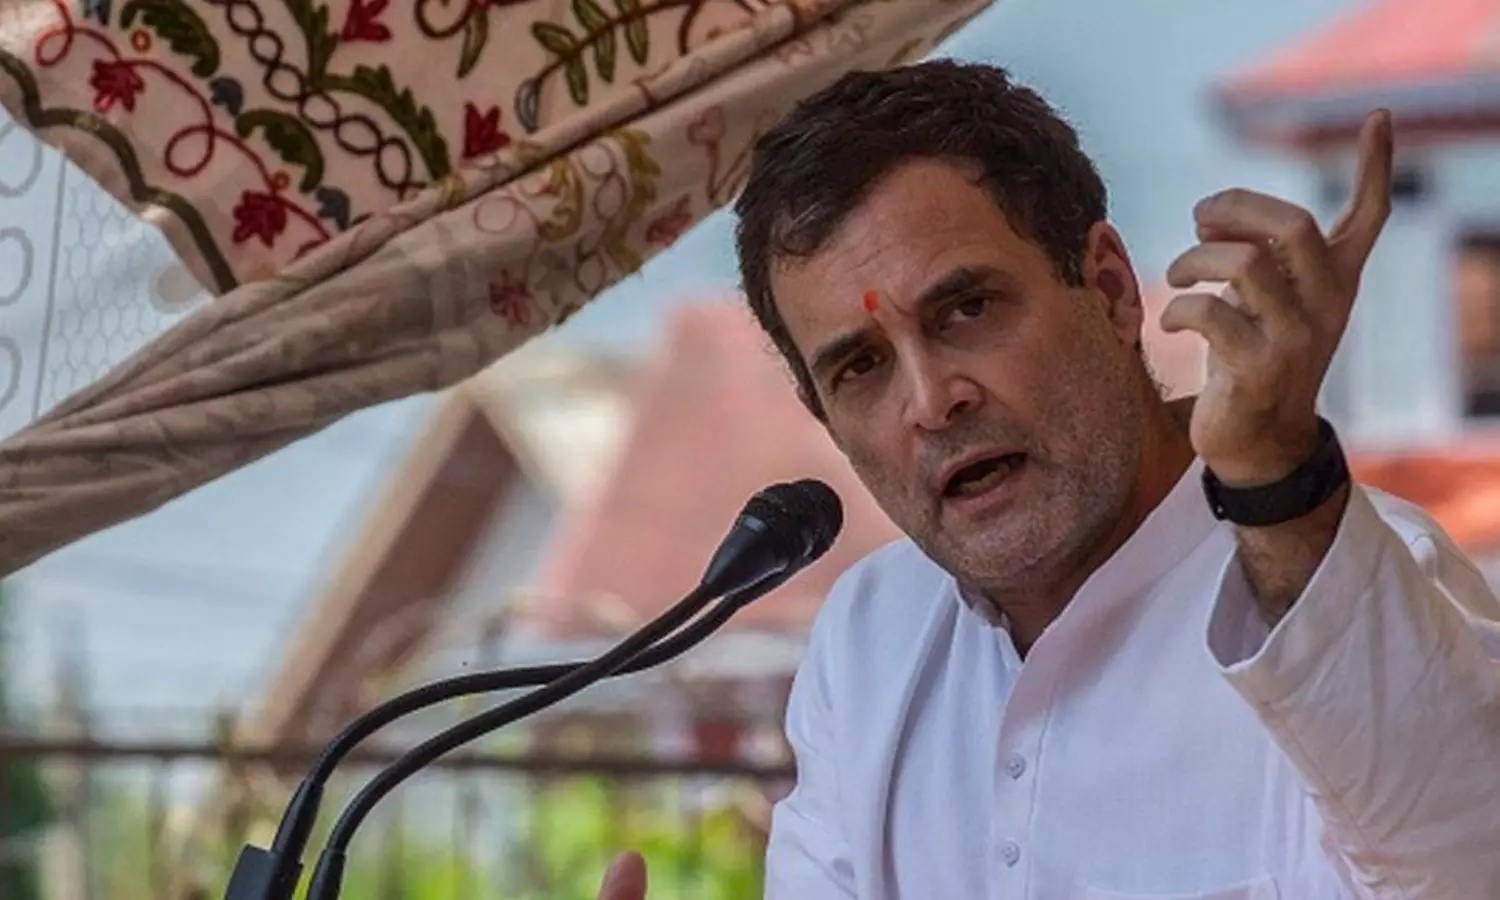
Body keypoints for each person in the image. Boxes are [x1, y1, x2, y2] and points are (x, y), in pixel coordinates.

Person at [597, 60, 1500, 899]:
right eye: (861, 366)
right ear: (821, 414)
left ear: (1109, 289)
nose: (932, 401)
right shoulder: (872, 633)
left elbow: (1467, 863)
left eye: (967, 310)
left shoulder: (1356, 588)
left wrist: (1279, 483)